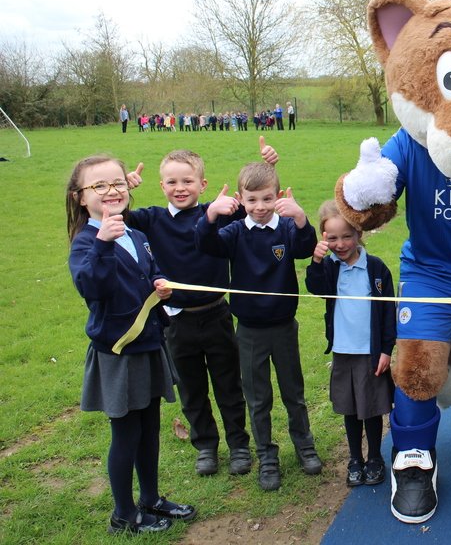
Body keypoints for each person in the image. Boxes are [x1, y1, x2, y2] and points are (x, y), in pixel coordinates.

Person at [124, 139, 278, 477]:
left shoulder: (219, 214)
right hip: (176, 322)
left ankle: (239, 444)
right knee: (191, 389)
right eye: (172, 182)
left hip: (217, 314)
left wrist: (270, 164)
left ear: (202, 185)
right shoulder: (151, 220)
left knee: (228, 384)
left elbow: (262, 203)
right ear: (161, 185)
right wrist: (124, 187)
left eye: (188, 181)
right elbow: (115, 219)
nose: (180, 188)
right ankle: (205, 445)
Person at [66, 155, 196, 535]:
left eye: (118, 183)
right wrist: (104, 244)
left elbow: (147, 272)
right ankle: (123, 513)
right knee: (126, 434)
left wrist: (160, 283)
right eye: (100, 186)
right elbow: (92, 287)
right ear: (80, 197)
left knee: (150, 427)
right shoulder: (86, 243)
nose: (112, 191)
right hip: (119, 355)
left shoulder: (136, 235)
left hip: (149, 345)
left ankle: (151, 498)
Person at [195, 162, 322, 491]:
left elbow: (306, 247)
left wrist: (301, 218)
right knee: (258, 398)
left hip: (283, 328)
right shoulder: (234, 232)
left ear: (278, 196)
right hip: (249, 331)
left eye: (267, 199)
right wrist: (210, 216)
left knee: (293, 393)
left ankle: (304, 445)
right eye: (252, 201)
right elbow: (206, 245)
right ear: (240, 199)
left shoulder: (285, 230)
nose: (260, 207)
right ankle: (267, 455)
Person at [305, 200, 396, 488]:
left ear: (359, 235)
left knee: (370, 409)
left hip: (369, 354)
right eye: (332, 238)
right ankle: (355, 459)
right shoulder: (329, 268)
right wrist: (316, 261)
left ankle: (374, 458)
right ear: (323, 238)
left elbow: (388, 312)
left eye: (346, 236)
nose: (340, 244)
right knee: (350, 409)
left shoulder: (376, 269)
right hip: (344, 352)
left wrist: (385, 349)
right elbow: (316, 289)